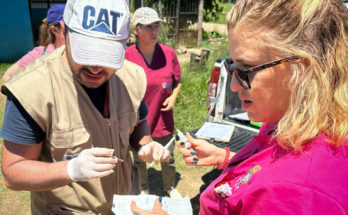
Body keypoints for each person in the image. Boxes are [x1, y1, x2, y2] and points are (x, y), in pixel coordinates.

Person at [131, 0, 348, 214]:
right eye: (231, 66)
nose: (234, 85)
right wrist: (225, 158)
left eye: (246, 69)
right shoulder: (288, 118)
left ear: (302, 68)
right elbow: (269, 165)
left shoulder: (296, 194)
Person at [0, 0, 171, 214]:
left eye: (107, 55)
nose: (96, 67)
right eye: (86, 52)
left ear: (125, 41)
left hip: (125, 207)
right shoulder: (32, 89)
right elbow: (13, 172)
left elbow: (138, 123)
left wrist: (145, 144)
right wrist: (69, 169)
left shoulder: (131, 76)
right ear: (65, 31)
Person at [125, 7, 182, 197]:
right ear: (136, 30)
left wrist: (173, 97)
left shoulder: (169, 53)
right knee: (139, 159)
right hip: (138, 121)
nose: (154, 31)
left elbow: (177, 80)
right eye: (148, 27)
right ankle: (143, 188)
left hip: (163, 118)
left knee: (168, 157)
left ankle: (170, 187)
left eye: (156, 26)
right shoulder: (126, 56)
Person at [2, 4, 66, 82]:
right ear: (54, 30)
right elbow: (8, 76)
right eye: (69, 27)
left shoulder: (78, 53)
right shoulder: (39, 54)